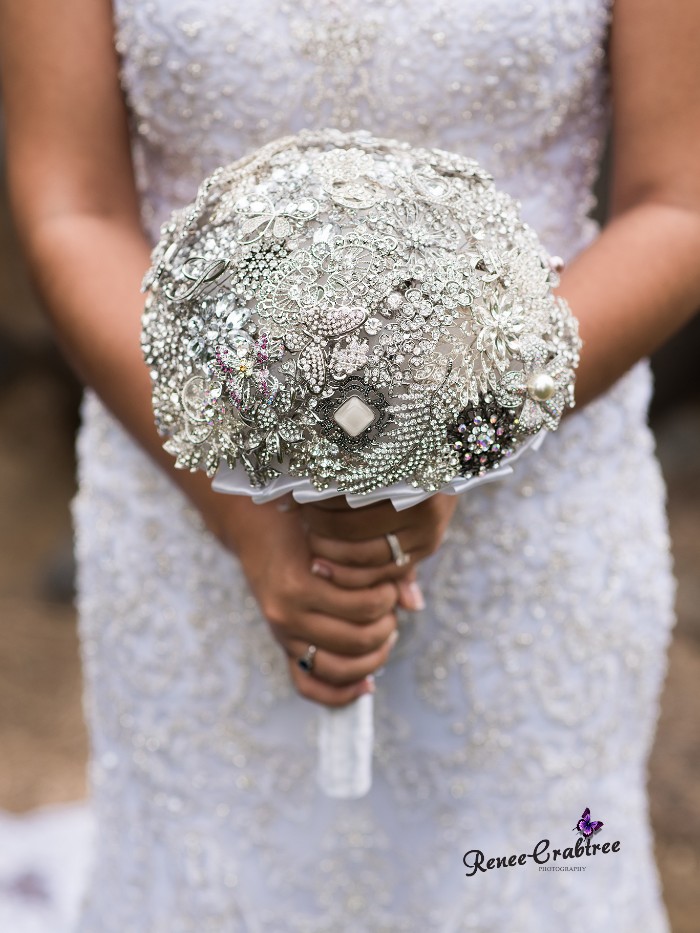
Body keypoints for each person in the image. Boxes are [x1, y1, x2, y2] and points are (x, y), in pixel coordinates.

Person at [1, 1, 698, 929]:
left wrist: (463, 428)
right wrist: (241, 510)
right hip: (181, 484)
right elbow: (72, 204)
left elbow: (680, 199)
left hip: (537, 499)